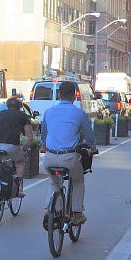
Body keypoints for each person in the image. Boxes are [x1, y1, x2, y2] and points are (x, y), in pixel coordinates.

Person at [41, 81, 98, 226]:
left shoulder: (48, 112)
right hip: (69, 158)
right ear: (74, 96)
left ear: (59, 94)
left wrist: (43, 146)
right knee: (78, 181)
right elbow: (89, 135)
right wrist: (92, 148)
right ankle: (77, 213)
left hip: (50, 158)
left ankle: (49, 211)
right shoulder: (80, 113)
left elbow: (43, 134)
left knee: (54, 183)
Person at [0, 97, 34, 197]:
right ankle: (18, 189)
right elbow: (30, 138)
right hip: (11, 146)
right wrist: (24, 148)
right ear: (20, 107)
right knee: (20, 162)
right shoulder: (23, 116)